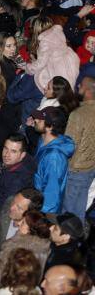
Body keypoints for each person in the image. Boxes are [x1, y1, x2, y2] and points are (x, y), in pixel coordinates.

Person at [61, 76, 95, 220]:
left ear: (87, 90)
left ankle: (66, 240)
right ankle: (76, 240)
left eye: (80, 86)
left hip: (75, 169)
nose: (77, 88)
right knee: (79, 211)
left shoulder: (78, 114)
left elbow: (69, 145)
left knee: (68, 214)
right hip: (90, 168)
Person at [29, 106, 75, 213]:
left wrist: (38, 216)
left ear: (50, 127)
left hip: (42, 211)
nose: (35, 120)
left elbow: (51, 195)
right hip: (35, 200)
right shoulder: (43, 140)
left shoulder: (54, 157)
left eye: (40, 120)